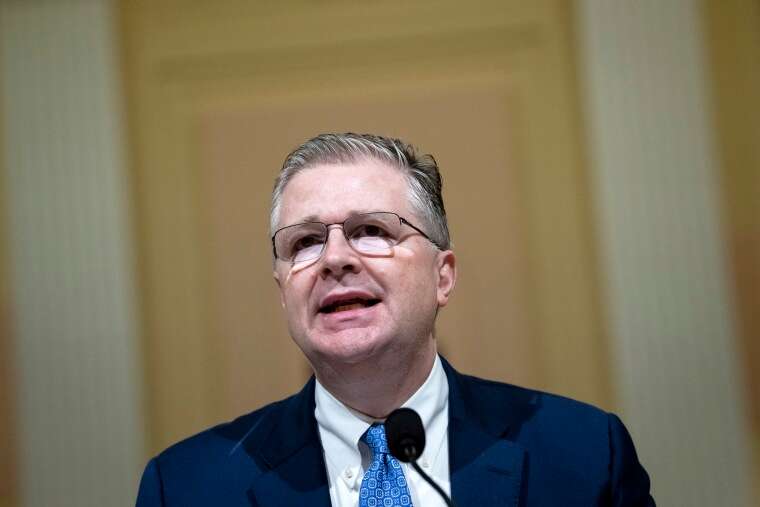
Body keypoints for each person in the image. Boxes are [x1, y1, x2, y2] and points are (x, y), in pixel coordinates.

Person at [136, 133, 655, 506]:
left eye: (371, 231)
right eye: (305, 241)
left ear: (442, 277)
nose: (335, 258)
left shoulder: (584, 454)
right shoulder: (185, 487)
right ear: (282, 290)